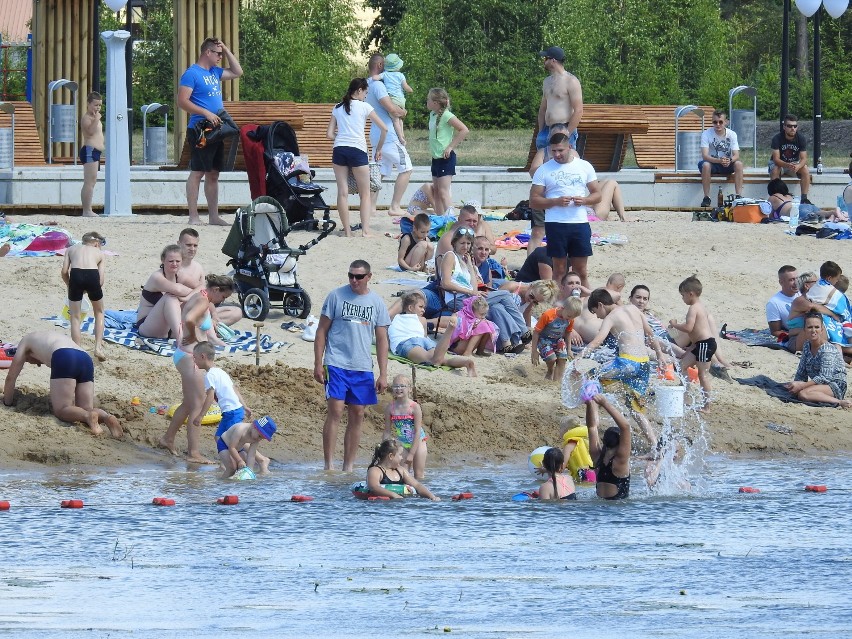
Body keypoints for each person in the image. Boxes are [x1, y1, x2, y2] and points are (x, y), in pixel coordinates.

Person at [314, 260, 390, 472]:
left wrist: (383, 374)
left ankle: (348, 467)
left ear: (369, 277)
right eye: (351, 276)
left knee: (357, 413)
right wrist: (318, 363)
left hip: (363, 366)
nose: (354, 280)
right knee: (336, 410)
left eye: (359, 277)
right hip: (336, 362)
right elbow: (321, 331)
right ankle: (329, 465)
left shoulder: (376, 302)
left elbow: (382, 339)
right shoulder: (336, 296)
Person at [159, 275, 234, 463]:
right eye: (223, 297)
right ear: (216, 290)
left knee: (188, 403)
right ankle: (193, 453)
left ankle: (167, 439)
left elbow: (192, 313)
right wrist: (192, 336)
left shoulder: (202, 294)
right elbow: (190, 319)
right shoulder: (202, 300)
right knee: (198, 406)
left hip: (183, 355)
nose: (222, 301)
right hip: (191, 357)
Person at [581, 288, 664, 447]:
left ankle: (593, 427)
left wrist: (579, 356)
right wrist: (659, 354)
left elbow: (597, 341)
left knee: (590, 377)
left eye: (595, 312)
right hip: (644, 364)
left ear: (600, 305)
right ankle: (654, 445)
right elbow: (650, 333)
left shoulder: (610, 317)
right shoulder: (634, 309)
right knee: (635, 407)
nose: (597, 316)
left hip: (627, 362)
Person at [2, 331, 121, 438]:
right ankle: (106, 417)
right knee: (85, 408)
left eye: (27, 360)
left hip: (64, 355)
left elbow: (10, 378)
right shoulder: (46, 338)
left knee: (62, 409)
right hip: (85, 357)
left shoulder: (24, 342)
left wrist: (7, 403)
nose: (30, 363)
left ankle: (87, 416)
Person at [178, 37, 243, 225]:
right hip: (201, 129)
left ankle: (213, 216)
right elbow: (182, 101)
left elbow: (237, 71)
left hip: (217, 129)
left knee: (214, 173)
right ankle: (193, 216)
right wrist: (205, 112)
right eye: (218, 53)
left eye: (222, 54)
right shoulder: (192, 74)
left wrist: (227, 49)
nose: (221, 57)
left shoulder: (214, 72)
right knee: (198, 172)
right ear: (207, 52)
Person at [527, 47, 584, 252]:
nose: (543, 62)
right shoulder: (547, 82)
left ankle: (561, 204)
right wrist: (541, 130)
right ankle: (546, 199)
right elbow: (543, 107)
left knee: (563, 167)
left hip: (563, 127)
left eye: (545, 59)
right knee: (537, 169)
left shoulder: (571, 81)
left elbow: (578, 109)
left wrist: (568, 133)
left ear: (553, 60)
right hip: (548, 130)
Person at [529, 132, 601, 290]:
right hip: (556, 223)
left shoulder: (584, 166)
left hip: (579, 222)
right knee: (559, 270)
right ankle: (558, 304)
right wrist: (555, 201)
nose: (557, 154)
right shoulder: (544, 170)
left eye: (560, 150)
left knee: (581, 270)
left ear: (569, 147)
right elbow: (533, 201)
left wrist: (585, 200)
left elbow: (597, 194)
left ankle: (585, 304)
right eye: (553, 151)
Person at [440, 228, 530, 354]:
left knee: (497, 307)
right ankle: (524, 331)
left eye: (468, 243)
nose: (465, 247)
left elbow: (474, 288)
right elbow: (445, 283)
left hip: (470, 298)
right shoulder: (450, 256)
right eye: (462, 243)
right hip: (458, 299)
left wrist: (471, 267)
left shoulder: (465, 260)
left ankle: (508, 344)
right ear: (454, 243)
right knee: (505, 294)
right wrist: (471, 292)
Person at [191, 341, 271, 476]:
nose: (194, 360)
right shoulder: (220, 372)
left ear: (203, 356)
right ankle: (229, 462)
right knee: (219, 437)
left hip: (232, 412)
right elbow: (234, 389)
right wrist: (244, 405)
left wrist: (201, 416)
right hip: (235, 410)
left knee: (236, 438)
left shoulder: (210, 375)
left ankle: (260, 460)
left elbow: (210, 397)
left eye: (195, 357)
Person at [328, 77, 388, 237]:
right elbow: (384, 129)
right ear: (359, 90)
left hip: (339, 149)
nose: (366, 96)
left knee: (342, 192)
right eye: (365, 92)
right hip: (357, 150)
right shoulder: (364, 107)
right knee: (365, 193)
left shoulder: (337, 107)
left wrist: (342, 138)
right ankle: (365, 231)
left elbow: (329, 134)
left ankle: (347, 231)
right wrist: (379, 149)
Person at [366, 54, 413, 217]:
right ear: (379, 65)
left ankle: (371, 207)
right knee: (406, 168)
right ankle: (395, 206)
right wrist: (403, 112)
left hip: (376, 133)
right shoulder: (378, 85)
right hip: (388, 134)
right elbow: (391, 108)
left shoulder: (367, 83)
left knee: (380, 171)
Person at [389, 290, 477, 374]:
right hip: (423, 341)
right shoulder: (422, 320)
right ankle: (466, 362)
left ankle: (449, 330)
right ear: (410, 307)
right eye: (420, 307)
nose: (423, 310)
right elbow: (424, 336)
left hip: (408, 342)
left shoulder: (396, 318)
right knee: (441, 359)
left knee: (433, 361)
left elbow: (389, 335)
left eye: (424, 308)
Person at [176, 228, 242, 328]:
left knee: (237, 312)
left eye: (195, 245)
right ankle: (206, 329)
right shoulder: (173, 266)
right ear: (179, 244)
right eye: (188, 245)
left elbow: (207, 295)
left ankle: (208, 327)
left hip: (200, 310)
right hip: (179, 313)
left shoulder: (198, 268)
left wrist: (214, 315)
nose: (192, 249)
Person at [668, 276, 716, 411]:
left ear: (690, 294)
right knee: (681, 365)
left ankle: (707, 406)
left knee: (702, 375)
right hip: (698, 345)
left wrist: (675, 325)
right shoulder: (700, 307)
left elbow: (689, 328)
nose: (682, 298)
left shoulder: (694, 308)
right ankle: (684, 397)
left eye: (682, 295)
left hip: (705, 344)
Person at [785, 312, 850, 409]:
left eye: (817, 327)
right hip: (819, 383)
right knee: (793, 387)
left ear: (822, 329)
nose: (813, 330)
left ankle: (840, 402)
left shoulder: (827, 350)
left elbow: (825, 377)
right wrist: (796, 384)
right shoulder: (807, 345)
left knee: (804, 394)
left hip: (835, 384)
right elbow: (801, 371)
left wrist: (802, 386)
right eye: (810, 327)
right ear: (804, 330)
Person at [61, 231, 106, 362]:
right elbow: (101, 281)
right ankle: (98, 347)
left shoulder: (70, 249)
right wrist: (91, 289)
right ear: (97, 243)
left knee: (75, 316)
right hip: (92, 275)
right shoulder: (99, 253)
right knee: (99, 312)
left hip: (75, 275)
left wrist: (70, 285)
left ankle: (78, 350)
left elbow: (64, 272)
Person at [136, 245, 194, 339]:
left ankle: (211, 336)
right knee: (170, 297)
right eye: (171, 261)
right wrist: (193, 294)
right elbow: (177, 290)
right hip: (148, 326)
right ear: (163, 260)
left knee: (198, 300)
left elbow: (202, 287)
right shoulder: (157, 277)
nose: (174, 264)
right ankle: (180, 340)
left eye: (178, 261)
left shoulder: (180, 275)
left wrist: (188, 297)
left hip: (170, 327)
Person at [427, 88, 469, 216]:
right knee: (437, 192)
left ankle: (451, 220)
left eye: (428, 99)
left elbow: (464, 130)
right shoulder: (433, 115)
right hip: (436, 158)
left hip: (446, 158)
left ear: (435, 102)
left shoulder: (447, 115)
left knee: (444, 192)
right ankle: (440, 218)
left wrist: (450, 147)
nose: (426, 102)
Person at [586, 393, 631, 500]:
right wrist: (605, 403)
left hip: (598, 511)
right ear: (620, 442)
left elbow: (592, 427)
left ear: (604, 441)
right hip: (617, 510)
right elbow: (626, 427)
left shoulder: (597, 457)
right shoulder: (620, 460)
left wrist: (589, 404)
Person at [383, 374, 429, 478]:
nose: (398, 389)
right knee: (403, 474)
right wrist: (384, 449)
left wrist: (412, 454)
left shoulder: (414, 407)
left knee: (419, 475)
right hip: (403, 444)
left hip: (418, 442)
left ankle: (419, 493)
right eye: (395, 386)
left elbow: (417, 431)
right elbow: (387, 431)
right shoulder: (390, 408)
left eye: (402, 386)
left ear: (409, 389)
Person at [365, 439, 440, 500]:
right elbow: (374, 487)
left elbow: (417, 485)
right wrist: (395, 495)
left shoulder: (401, 470)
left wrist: (432, 496)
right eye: (400, 455)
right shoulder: (375, 471)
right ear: (391, 456)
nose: (402, 457)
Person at [698, 110, 744, 207]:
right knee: (705, 165)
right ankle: (706, 197)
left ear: (726, 122)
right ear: (712, 122)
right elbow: (705, 155)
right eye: (715, 122)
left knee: (739, 164)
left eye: (720, 122)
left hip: (727, 163)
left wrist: (729, 160)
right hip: (712, 163)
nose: (718, 124)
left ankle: (739, 196)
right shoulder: (706, 134)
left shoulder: (732, 134)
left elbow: (736, 155)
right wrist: (719, 160)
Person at [531, 295, 582, 381]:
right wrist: (534, 350)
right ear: (562, 308)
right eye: (569, 316)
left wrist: (569, 349)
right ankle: (550, 371)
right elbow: (536, 332)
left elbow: (568, 333)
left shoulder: (570, 319)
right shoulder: (548, 315)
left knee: (562, 358)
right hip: (544, 339)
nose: (570, 319)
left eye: (573, 317)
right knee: (552, 359)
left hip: (558, 339)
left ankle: (557, 381)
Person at [370, 53, 413, 145]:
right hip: (401, 100)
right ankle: (401, 135)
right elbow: (393, 109)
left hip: (393, 99)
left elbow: (374, 77)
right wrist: (403, 112)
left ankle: (401, 136)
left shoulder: (369, 83)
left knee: (396, 120)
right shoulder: (400, 76)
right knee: (399, 118)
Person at [769, 114, 812, 205]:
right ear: (784, 127)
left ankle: (804, 198)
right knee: (775, 169)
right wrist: (787, 165)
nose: (792, 128)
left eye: (795, 126)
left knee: (805, 169)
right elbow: (776, 159)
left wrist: (798, 166)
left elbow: (804, 158)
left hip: (793, 164)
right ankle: (776, 197)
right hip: (779, 164)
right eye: (789, 126)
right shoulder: (777, 138)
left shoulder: (801, 138)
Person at [79, 92, 103, 218]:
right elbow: (90, 132)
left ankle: (88, 209)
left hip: (95, 152)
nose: (97, 108)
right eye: (95, 105)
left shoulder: (94, 117)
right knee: (89, 181)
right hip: (89, 151)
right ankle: (86, 210)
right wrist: (97, 118)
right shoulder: (87, 118)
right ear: (88, 104)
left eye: (99, 105)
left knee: (92, 181)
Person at [766, 265, 799, 339]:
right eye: (791, 280)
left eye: (797, 278)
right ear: (781, 282)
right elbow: (775, 331)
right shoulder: (774, 303)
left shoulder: (804, 293)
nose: (796, 282)